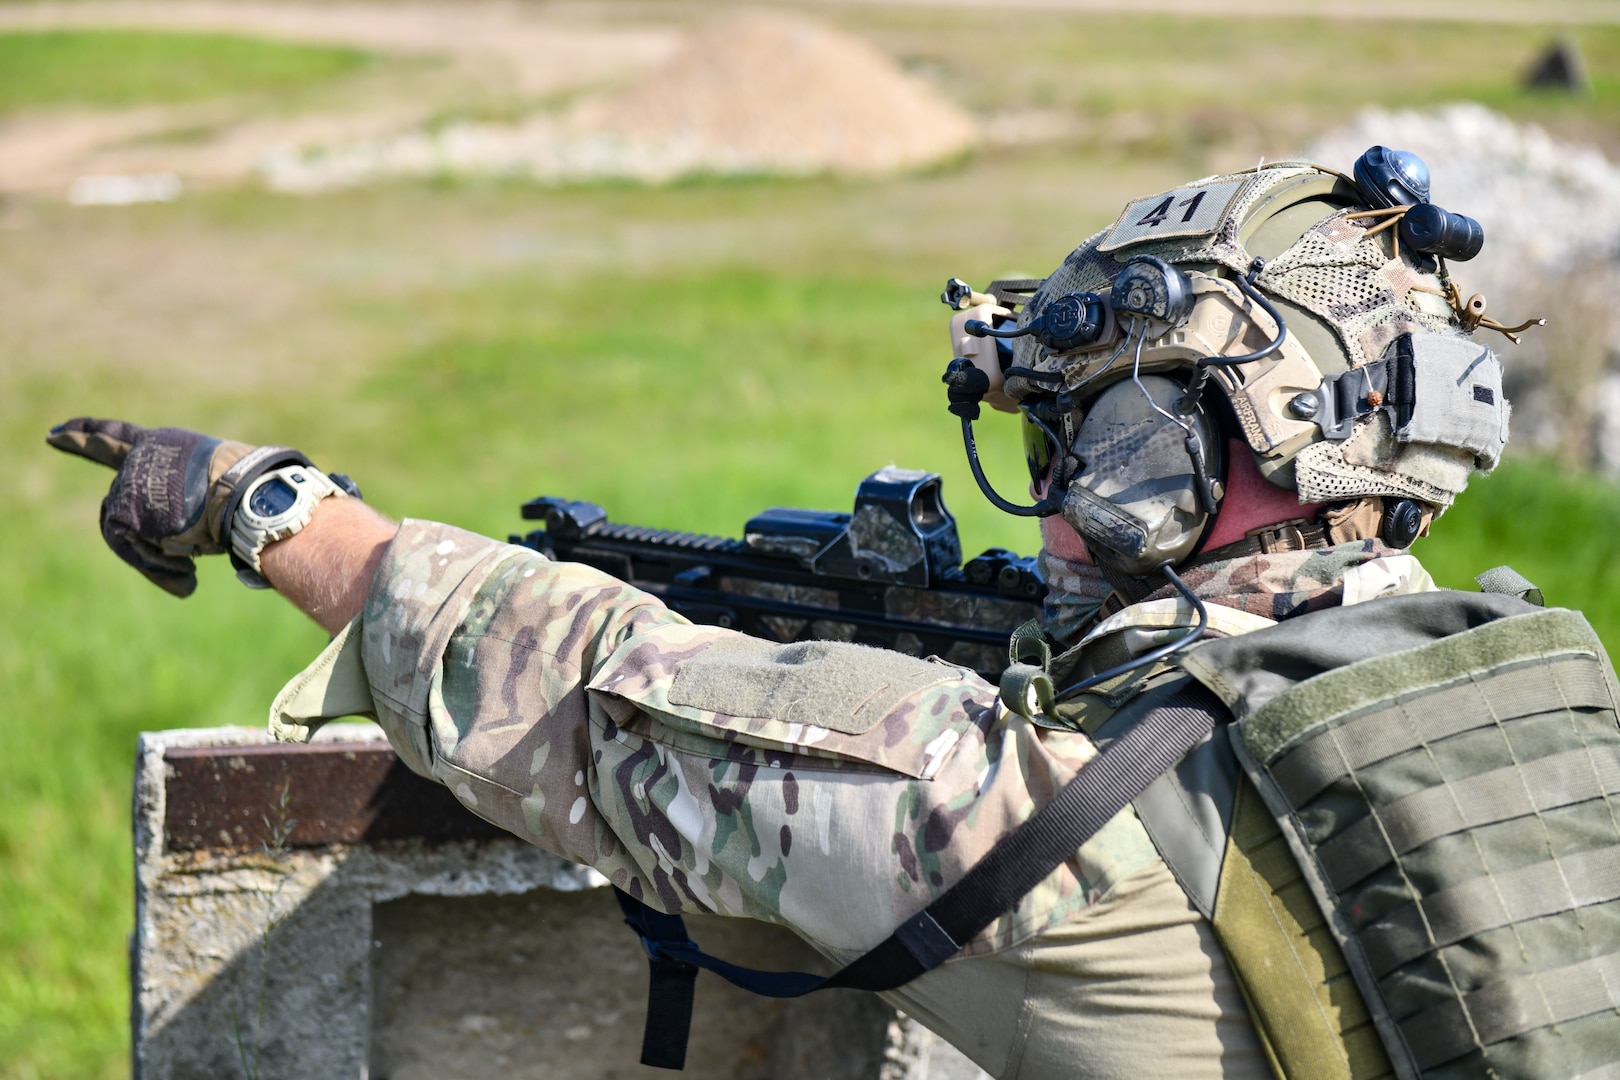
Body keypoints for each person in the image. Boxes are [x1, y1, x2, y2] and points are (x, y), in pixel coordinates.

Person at [50, 151, 1620, 1080]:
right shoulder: (1544, 704)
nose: (1059, 488)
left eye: (1078, 430)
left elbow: (600, 702)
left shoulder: (1063, 821)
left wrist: (271, 506)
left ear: (1186, 445)